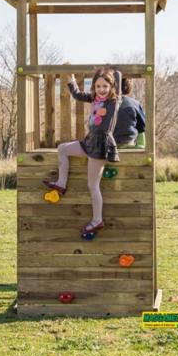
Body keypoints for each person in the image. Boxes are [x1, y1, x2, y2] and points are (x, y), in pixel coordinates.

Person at [43, 67, 122, 234]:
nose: (102, 90)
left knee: (93, 185)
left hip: (100, 146)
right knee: (63, 149)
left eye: (105, 86)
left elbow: (117, 79)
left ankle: (97, 220)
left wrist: (111, 70)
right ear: (94, 87)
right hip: (89, 142)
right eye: (98, 86)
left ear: (112, 87)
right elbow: (77, 95)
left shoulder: (113, 102)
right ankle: (61, 184)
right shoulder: (94, 98)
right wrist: (71, 79)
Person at [113, 78, 146, 148]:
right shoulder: (134, 104)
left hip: (109, 146)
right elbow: (142, 127)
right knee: (140, 130)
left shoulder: (105, 103)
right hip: (129, 144)